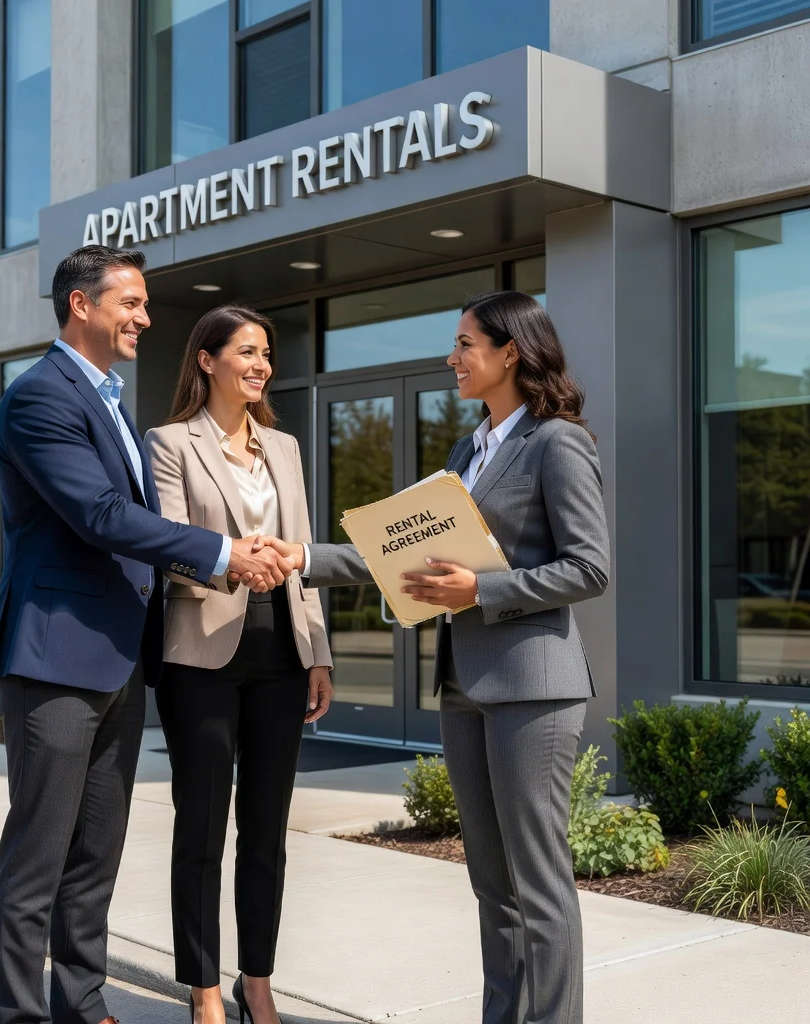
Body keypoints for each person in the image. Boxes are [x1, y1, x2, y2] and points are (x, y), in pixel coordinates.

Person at [256, 291, 609, 1024]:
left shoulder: (557, 441)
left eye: (465, 344)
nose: (452, 358)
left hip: (533, 686)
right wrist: (303, 557)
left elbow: (589, 568)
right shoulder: (467, 450)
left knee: (539, 885)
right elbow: (400, 553)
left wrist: (478, 589)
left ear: (511, 351)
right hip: (464, 684)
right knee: (492, 886)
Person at [0, 246, 293, 1024]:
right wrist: (225, 552)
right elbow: (102, 516)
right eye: (130, 302)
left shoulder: (114, 400)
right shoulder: (39, 398)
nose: (145, 318)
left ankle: (82, 1006)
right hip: (55, 654)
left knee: (95, 853)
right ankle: (23, 1015)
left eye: (146, 304)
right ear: (81, 306)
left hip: (119, 655)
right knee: (39, 855)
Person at [144, 305, 333, 1024]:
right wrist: (237, 566)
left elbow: (303, 555)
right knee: (200, 827)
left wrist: (317, 653)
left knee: (266, 827)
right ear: (206, 359)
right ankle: (202, 989)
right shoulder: (169, 443)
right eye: (246, 352)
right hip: (202, 652)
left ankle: (258, 980)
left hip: (281, 648)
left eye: (265, 355)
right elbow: (165, 542)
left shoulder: (283, 447)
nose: (259, 365)